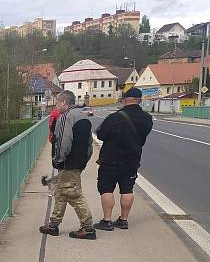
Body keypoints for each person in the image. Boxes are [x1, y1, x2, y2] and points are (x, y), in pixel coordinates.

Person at [92, 87, 153, 231]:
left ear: (125, 99)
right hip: (132, 159)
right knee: (127, 189)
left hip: (111, 159)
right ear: (139, 101)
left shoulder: (116, 117)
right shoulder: (147, 118)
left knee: (106, 189)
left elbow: (100, 135)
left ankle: (107, 220)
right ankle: (123, 220)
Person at [39, 90, 96, 240]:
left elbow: (63, 142)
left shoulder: (65, 117)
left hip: (68, 163)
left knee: (74, 195)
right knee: (61, 194)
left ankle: (88, 228)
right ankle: (53, 225)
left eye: (57, 103)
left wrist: (58, 159)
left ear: (64, 102)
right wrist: (85, 160)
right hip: (78, 162)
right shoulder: (84, 117)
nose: (56, 106)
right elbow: (89, 143)